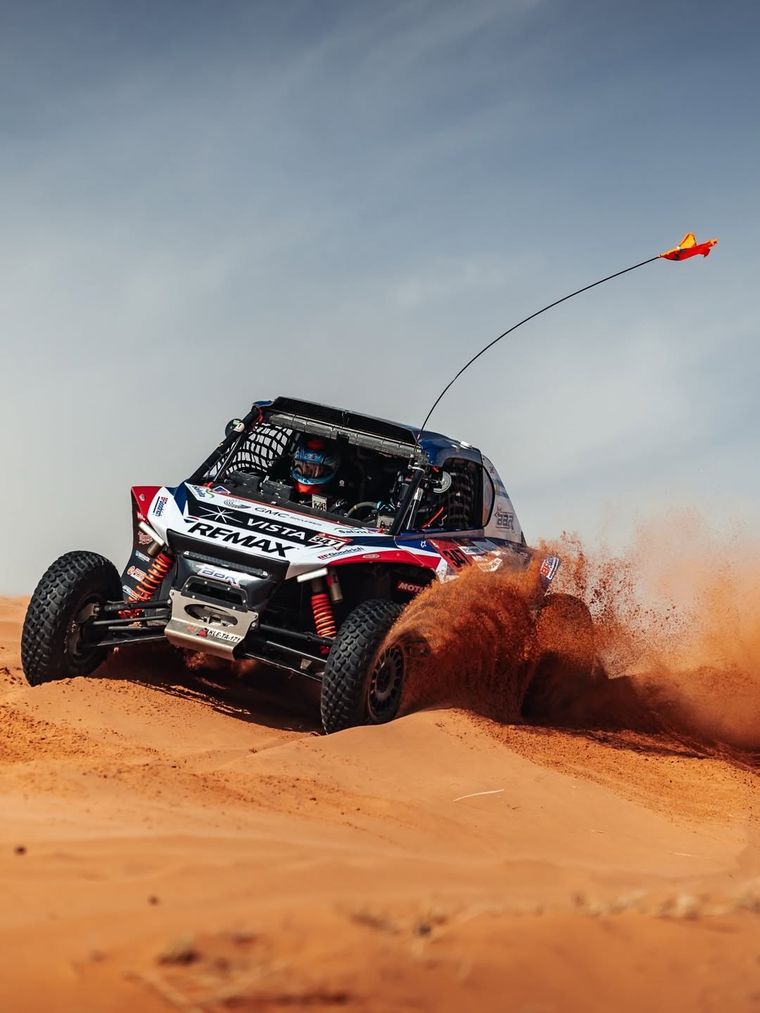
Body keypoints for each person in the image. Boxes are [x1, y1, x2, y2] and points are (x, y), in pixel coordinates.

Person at [290, 435, 352, 513]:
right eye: (301, 466)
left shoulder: (340, 495)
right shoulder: (288, 483)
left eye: (313, 469)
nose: (306, 472)